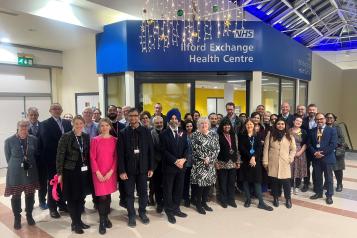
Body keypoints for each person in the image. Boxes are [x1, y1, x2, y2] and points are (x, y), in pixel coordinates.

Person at [118, 108, 154, 227]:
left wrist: (151, 168)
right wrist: (122, 170)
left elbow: (151, 151)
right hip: (128, 170)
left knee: (143, 193)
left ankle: (142, 212)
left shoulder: (146, 131)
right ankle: (131, 215)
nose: (133, 118)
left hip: (143, 168)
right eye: (130, 116)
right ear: (127, 117)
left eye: (135, 115)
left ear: (138, 116)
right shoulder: (123, 133)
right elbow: (120, 154)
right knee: (129, 194)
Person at [56, 116, 92, 234]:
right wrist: (60, 173)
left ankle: (78, 221)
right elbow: (60, 156)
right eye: (76, 123)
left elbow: (87, 154)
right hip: (70, 171)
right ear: (72, 124)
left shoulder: (86, 136)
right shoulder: (66, 136)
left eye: (81, 123)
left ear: (84, 124)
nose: (79, 125)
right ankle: (75, 223)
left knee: (81, 197)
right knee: (72, 198)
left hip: (83, 171)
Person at [4, 120, 40, 229]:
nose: (24, 129)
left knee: (30, 194)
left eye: (26, 127)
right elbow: (8, 157)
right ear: (17, 127)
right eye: (22, 127)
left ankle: (29, 215)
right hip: (15, 173)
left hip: (30, 171)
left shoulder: (33, 139)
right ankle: (17, 218)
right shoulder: (9, 140)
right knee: (16, 196)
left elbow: (36, 153)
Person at [39, 103, 72, 218]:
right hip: (52, 160)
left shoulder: (67, 123)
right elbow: (45, 143)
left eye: (59, 108)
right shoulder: (44, 124)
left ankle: (62, 204)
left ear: (62, 110)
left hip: (66, 160)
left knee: (64, 182)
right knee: (53, 183)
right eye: (54, 108)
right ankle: (52, 207)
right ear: (50, 111)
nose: (57, 110)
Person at [160, 108, 188, 224]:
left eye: (176, 118)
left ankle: (176, 208)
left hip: (181, 167)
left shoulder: (183, 132)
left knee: (179, 188)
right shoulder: (163, 134)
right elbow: (163, 151)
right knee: (168, 189)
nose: (174, 120)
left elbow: (187, 148)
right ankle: (169, 210)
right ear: (168, 119)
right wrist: (175, 161)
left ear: (179, 119)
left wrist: (183, 159)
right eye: (172, 118)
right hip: (169, 167)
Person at [90, 118, 118, 234]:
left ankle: (106, 217)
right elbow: (92, 157)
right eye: (102, 125)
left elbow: (116, 158)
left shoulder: (115, 140)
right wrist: (97, 172)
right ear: (99, 127)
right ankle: (102, 221)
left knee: (108, 196)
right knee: (102, 197)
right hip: (99, 174)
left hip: (110, 173)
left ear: (110, 127)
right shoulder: (95, 140)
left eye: (107, 125)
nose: (104, 127)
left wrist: (111, 171)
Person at [238, 119, 273, 211]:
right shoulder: (241, 136)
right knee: (245, 181)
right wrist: (250, 157)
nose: (249, 125)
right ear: (245, 126)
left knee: (257, 182)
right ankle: (248, 200)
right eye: (248, 124)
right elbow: (241, 148)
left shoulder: (257, 136)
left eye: (251, 124)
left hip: (255, 162)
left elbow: (259, 149)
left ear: (254, 126)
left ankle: (261, 203)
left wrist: (254, 157)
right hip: (246, 162)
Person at [263, 118, 296, 209]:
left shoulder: (289, 135)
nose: (280, 126)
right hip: (273, 162)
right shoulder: (270, 134)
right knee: (274, 183)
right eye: (278, 124)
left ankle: (288, 199)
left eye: (282, 124)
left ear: (285, 125)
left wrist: (290, 158)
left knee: (286, 183)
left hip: (285, 162)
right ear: (275, 125)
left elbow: (293, 149)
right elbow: (266, 149)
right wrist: (265, 161)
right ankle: (276, 198)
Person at [190, 117, 220, 214]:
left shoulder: (213, 134)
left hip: (210, 164)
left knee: (208, 184)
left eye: (206, 123)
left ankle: (204, 202)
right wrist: (204, 158)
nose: (204, 125)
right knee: (200, 185)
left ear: (208, 125)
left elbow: (217, 148)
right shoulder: (195, 135)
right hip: (200, 164)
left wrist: (210, 159)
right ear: (198, 125)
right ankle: (198, 204)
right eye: (202, 123)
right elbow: (194, 149)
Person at [309, 113, 337, 205]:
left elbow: (333, 145)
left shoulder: (332, 130)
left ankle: (329, 196)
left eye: (321, 119)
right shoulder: (312, 130)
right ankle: (319, 193)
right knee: (317, 177)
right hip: (316, 158)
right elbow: (309, 144)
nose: (319, 121)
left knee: (328, 178)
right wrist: (315, 152)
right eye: (317, 119)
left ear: (325, 119)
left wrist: (321, 153)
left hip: (327, 158)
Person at [27, 107, 47, 210]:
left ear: (38, 115)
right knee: (30, 182)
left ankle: (42, 201)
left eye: (35, 114)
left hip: (42, 160)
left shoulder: (44, 125)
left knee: (43, 182)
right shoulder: (24, 127)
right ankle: (31, 202)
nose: (33, 116)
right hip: (30, 160)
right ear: (28, 116)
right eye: (31, 115)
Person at [216, 118, 239, 208]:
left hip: (232, 162)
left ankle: (231, 200)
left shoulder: (234, 135)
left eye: (228, 124)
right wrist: (216, 162)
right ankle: (223, 200)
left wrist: (237, 161)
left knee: (231, 182)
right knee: (223, 183)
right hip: (222, 162)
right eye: (225, 125)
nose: (227, 126)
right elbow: (215, 150)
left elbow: (236, 149)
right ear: (222, 126)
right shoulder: (218, 135)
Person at [325, 113, 347, 192]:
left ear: (334, 119)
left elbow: (342, 139)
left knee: (338, 169)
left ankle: (339, 184)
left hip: (336, 151)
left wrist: (333, 143)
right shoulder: (324, 127)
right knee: (328, 169)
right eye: (327, 117)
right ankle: (327, 183)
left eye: (331, 117)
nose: (329, 119)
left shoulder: (337, 127)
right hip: (327, 151)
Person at [301, 104, 318, 192]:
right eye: (310, 110)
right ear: (307, 111)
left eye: (313, 110)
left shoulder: (320, 120)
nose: (311, 111)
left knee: (316, 167)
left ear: (316, 110)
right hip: (306, 148)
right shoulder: (303, 120)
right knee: (306, 167)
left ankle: (316, 185)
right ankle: (306, 184)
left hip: (316, 148)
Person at [290, 116, 308, 194]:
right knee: (290, 169)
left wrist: (300, 152)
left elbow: (305, 144)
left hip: (300, 152)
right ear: (293, 121)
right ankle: (290, 186)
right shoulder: (288, 130)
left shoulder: (303, 132)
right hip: (289, 151)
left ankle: (297, 186)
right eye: (297, 120)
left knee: (299, 169)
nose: (298, 122)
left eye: (300, 122)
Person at [150, 116, 165, 212]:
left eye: (161, 122)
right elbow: (151, 149)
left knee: (166, 184)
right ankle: (159, 203)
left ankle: (166, 202)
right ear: (153, 124)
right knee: (157, 185)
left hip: (167, 163)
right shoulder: (150, 133)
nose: (159, 124)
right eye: (157, 123)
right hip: (156, 164)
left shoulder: (167, 132)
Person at [182, 120, 196, 207]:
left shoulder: (196, 135)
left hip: (195, 161)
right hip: (186, 162)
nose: (189, 128)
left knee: (194, 182)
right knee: (186, 181)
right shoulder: (182, 135)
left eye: (190, 126)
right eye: (187, 126)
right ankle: (186, 198)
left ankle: (194, 198)